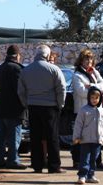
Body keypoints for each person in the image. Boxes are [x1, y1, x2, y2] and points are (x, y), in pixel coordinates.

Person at [17, 44, 67, 173]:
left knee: (35, 137)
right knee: (52, 137)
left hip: (33, 106)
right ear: (47, 55)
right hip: (50, 107)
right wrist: (60, 104)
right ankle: (54, 165)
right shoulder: (53, 69)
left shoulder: (26, 70)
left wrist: (26, 103)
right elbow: (61, 88)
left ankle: (37, 165)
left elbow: (21, 91)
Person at [71, 49, 103, 169]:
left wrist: (92, 86)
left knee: (97, 136)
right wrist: (97, 90)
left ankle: (97, 161)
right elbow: (81, 92)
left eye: (90, 59)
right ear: (81, 61)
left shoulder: (94, 72)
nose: (88, 61)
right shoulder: (77, 75)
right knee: (80, 136)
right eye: (86, 59)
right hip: (82, 110)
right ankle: (77, 161)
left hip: (96, 110)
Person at [0, 45, 26, 169]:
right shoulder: (17, 69)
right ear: (17, 56)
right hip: (14, 109)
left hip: (0, 108)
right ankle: (13, 160)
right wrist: (24, 105)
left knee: (0, 137)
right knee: (14, 137)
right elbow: (20, 90)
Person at [73, 86, 103, 184]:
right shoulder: (83, 110)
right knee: (85, 159)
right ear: (88, 98)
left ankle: (91, 175)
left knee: (93, 159)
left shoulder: (102, 111)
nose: (94, 100)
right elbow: (78, 124)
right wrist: (76, 137)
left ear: (100, 99)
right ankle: (82, 176)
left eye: (97, 98)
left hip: (97, 140)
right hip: (85, 140)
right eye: (92, 98)